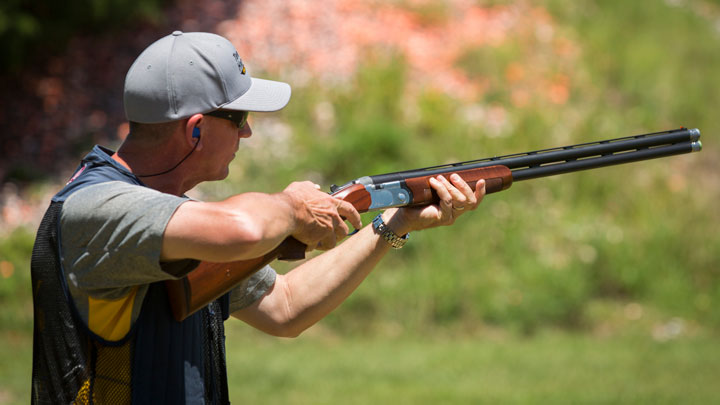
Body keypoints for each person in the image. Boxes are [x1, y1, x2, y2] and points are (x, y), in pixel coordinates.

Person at [30, 31, 485, 404]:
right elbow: (245, 228)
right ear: (195, 130)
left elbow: (285, 307)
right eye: (240, 117)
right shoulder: (97, 208)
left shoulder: (179, 226)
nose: (247, 130)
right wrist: (293, 207)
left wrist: (396, 224)